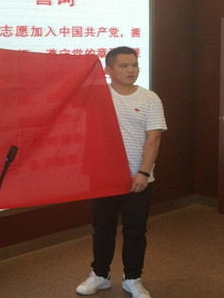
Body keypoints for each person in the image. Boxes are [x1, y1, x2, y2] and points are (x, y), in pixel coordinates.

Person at [76, 47, 167, 298]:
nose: (131, 70)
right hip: (102, 177)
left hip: (137, 177)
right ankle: (100, 275)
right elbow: (63, 98)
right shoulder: (96, 96)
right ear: (108, 70)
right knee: (102, 229)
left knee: (135, 231)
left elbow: (154, 138)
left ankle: (132, 278)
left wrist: (143, 173)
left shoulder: (149, 98)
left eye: (134, 65)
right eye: (124, 65)